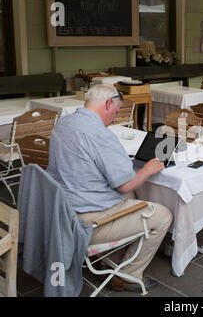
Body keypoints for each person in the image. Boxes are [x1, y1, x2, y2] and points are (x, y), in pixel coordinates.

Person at [47, 84, 173, 292]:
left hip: (63, 212)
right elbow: (126, 184)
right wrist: (149, 168)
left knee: (133, 194)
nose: (114, 119)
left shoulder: (64, 123)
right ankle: (129, 275)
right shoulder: (100, 134)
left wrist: (124, 163)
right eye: (115, 112)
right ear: (108, 104)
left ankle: (110, 260)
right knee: (163, 215)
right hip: (87, 223)